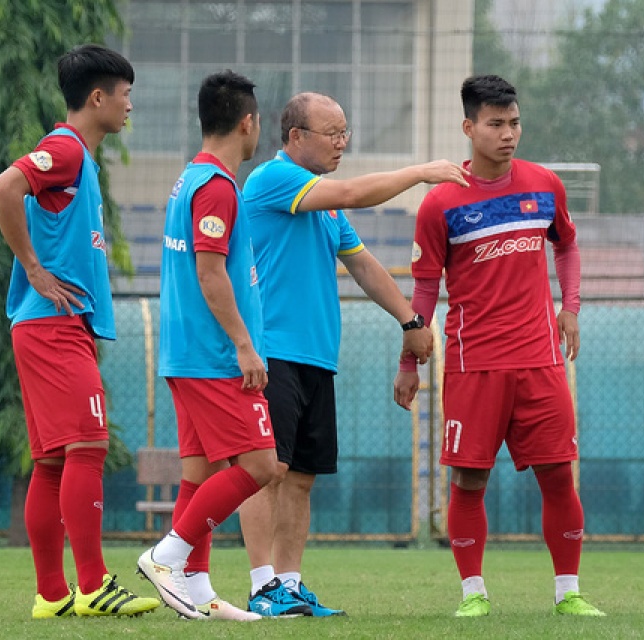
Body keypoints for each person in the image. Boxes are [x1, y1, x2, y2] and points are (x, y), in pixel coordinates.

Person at [238, 91, 469, 617]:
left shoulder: (325, 206)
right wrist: (420, 172)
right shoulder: (273, 180)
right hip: (272, 351)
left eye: (346, 132)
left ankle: (290, 585)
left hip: (317, 356)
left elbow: (363, 265)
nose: (343, 142)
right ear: (296, 138)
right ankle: (260, 585)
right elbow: (357, 192)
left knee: (301, 475)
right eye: (333, 133)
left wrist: (410, 320)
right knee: (266, 469)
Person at [392, 74, 605, 618]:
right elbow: (423, 289)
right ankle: (474, 595)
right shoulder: (440, 203)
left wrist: (570, 307)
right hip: (473, 363)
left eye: (514, 123)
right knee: (469, 478)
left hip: (540, 360)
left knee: (559, 472)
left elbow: (569, 247)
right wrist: (409, 361)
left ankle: (569, 593)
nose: (508, 134)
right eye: (495, 124)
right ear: (469, 128)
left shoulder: (544, 185)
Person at [0, 44, 159, 619]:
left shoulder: (79, 158)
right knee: (87, 446)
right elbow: (2, 188)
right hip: (52, 325)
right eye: (125, 94)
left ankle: (52, 596)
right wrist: (35, 269)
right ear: (97, 97)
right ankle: (93, 586)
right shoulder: (64, 148)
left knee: (53, 462)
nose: (130, 105)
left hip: (46, 327)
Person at [135, 70, 282, 621]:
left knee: (197, 474)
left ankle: (196, 590)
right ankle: (166, 556)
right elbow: (210, 271)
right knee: (263, 466)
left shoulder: (189, 179)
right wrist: (245, 346)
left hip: (185, 352)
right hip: (214, 356)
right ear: (248, 123)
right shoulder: (218, 186)